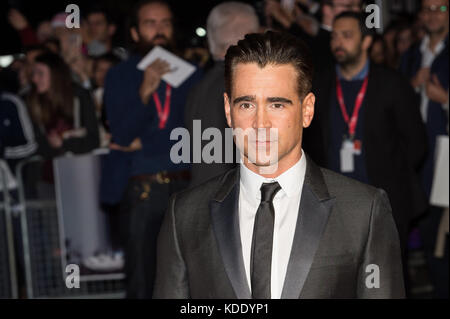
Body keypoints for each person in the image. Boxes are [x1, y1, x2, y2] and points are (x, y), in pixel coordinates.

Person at [154, 31, 405, 299]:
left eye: (277, 105)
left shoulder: (363, 212)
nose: (260, 124)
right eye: (247, 104)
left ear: (306, 110)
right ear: (228, 110)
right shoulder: (185, 216)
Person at [303, 12, 427, 253]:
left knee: (386, 281)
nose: (338, 42)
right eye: (335, 36)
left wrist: (392, 177)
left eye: (347, 35)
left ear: (366, 41)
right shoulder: (320, 84)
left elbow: (416, 143)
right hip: (334, 204)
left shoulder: (392, 84)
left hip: (384, 202)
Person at [103, 0, 200, 298]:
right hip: (142, 190)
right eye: (150, 23)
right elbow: (120, 133)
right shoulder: (121, 75)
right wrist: (144, 92)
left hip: (187, 187)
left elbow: (200, 137)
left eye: (165, 23)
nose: (159, 30)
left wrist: (146, 142)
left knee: (190, 280)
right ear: (134, 32)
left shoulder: (192, 75)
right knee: (143, 280)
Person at [400, 0, 448, 299]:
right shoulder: (410, 57)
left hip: (446, 162)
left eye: (440, 8)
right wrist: (409, 87)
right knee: (429, 238)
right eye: (427, 8)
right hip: (419, 163)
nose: (432, 14)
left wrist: (445, 98)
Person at [185, 1, 260, 187]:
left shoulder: (202, 84)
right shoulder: (238, 84)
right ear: (249, 37)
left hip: (206, 195)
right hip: (228, 198)